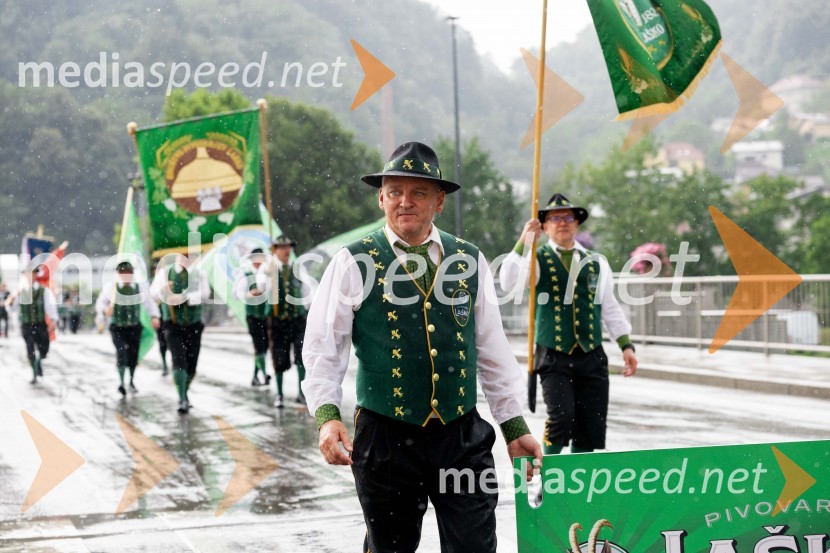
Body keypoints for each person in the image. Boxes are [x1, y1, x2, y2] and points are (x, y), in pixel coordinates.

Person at [302, 142, 541, 553]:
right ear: (381, 199)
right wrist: (327, 416)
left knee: (474, 545)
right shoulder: (352, 261)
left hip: (461, 436)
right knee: (391, 547)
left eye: (418, 192)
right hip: (385, 438)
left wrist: (514, 426)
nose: (405, 202)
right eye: (394, 191)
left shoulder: (469, 259)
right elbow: (324, 345)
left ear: (439, 201)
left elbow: (492, 349)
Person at [500, 193, 638, 459]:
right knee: (561, 418)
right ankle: (550, 474)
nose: (562, 222)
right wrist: (524, 241)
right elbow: (508, 282)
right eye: (555, 218)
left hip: (591, 354)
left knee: (589, 425)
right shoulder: (536, 259)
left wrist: (626, 345)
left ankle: (578, 479)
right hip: (554, 355)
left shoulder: (597, 261)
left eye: (568, 217)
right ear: (545, 226)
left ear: (577, 224)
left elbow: (609, 306)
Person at [151, 255, 211, 414]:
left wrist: (183, 297)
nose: (185, 258)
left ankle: (184, 392)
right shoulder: (164, 273)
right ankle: (182, 398)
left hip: (194, 325)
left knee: (192, 364)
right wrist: (163, 290)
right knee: (179, 360)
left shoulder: (199, 274)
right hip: (173, 325)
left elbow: (205, 294)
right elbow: (153, 295)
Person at [95, 261, 161, 397]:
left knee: (133, 354)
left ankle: (131, 381)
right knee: (122, 351)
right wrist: (105, 310)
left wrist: (154, 316)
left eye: (129, 273)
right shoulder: (111, 288)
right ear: (118, 274)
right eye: (123, 273)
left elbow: (149, 304)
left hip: (134, 327)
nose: (126, 276)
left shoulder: (139, 287)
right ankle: (121, 382)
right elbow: (100, 304)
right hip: (118, 328)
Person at [268, 236, 309, 407]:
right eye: (282, 247)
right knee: (279, 357)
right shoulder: (268, 268)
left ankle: (301, 393)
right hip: (277, 321)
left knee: (301, 355)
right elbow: (260, 288)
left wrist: (308, 309)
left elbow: (307, 290)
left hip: (297, 319)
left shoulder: (298, 268)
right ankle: (279, 394)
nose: (286, 250)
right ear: (275, 250)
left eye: (288, 247)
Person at [7, 266, 58, 383]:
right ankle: (34, 373)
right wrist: (11, 300)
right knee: (30, 350)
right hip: (26, 326)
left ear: (36, 275)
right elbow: (13, 309)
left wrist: (53, 320)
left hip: (40, 325)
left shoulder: (44, 291)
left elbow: (50, 307)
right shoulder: (21, 292)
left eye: (32, 274)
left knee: (44, 348)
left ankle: (39, 361)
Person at [234, 248, 272, 387]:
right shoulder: (245, 274)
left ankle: (255, 376)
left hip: (265, 314)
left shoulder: (267, 272)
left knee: (264, 346)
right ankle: (264, 373)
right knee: (259, 345)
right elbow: (236, 294)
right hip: (252, 315)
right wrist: (249, 294)